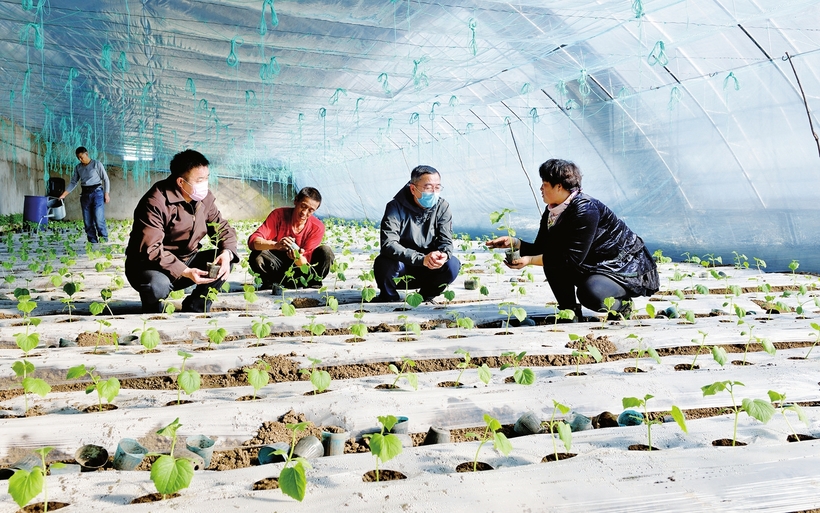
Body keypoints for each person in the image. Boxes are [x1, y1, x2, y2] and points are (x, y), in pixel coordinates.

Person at [486, 158, 659, 321]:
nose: (541, 188)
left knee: (590, 294)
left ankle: (623, 305)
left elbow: (572, 258)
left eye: (545, 184)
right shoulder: (553, 211)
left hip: (619, 266)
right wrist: (516, 243)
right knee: (551, 260)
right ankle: (569, 312)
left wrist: (530, 260)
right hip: (592, 264)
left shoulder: (586, 209)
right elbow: (542, 248)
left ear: (559, 187)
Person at [124, 149, 238, 314]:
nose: (204, 184)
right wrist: (184, 271)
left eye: (206, 178)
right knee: (156, 285)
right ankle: (153, 312)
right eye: (199, 180)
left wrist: (227, 253)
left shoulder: (204, 199)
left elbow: (222, 228)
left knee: (222, 262)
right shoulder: (155, 202)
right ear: (180, 182)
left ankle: (196, 306)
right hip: (151, 266)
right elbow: (151, 249)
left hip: (187, 260)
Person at [374, 165, 461, 303]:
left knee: (452, 264)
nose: (433, 193)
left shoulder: (442, 207)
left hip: (429, 268)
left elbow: (446, 242)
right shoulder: (395, 207)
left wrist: (444, 254)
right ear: (413, 189)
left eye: (437, 187)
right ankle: (388, 297)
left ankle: (426, 296)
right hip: (402, 270)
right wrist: (421, 259)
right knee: (384, 262)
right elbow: (388, 244)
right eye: (428, 188)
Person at [247, 187, 335, 290]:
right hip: (277, 268)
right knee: (257, 255)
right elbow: (253, 241)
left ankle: (312, 282)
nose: (304, 213)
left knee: (326, 252)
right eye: (303, 206)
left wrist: (297, 257)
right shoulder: (279, 215)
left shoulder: (317, 227)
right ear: (296, 200)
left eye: (310, 211)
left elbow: (306, 265)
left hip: (302, 272)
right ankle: (271, 282)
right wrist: (276, 245)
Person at [59, 146, 110, 243]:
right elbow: (74, 182)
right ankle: (92, 242)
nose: (80, 159)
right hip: (85, 194)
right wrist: (64, 194)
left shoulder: (97, 164)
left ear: (86, 154)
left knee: (99, 218)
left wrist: (106, 193)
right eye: (78, 157)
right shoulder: (78, 168)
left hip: (97, 193)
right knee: (87, 221)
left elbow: (106, 179)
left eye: (81, 157)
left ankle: (104, 240)